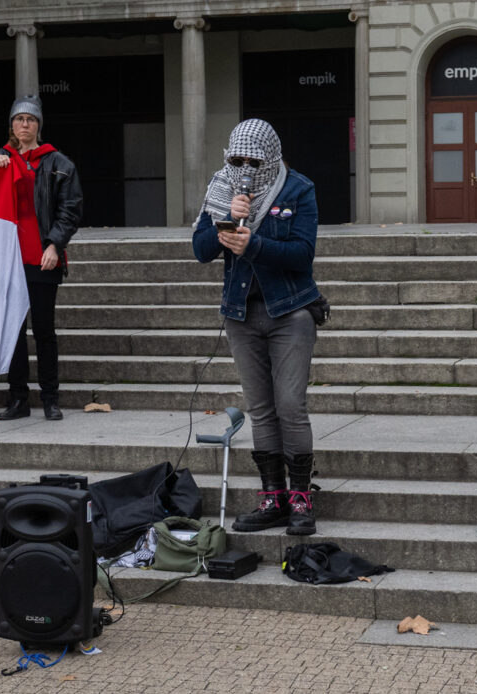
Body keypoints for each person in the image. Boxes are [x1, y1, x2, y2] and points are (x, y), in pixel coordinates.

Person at [192, 119, 322, 536]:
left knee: (290, 406)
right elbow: (201, 251)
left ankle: (301, 498)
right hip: (241, 314)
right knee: (261, 410)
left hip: (291, 312)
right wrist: (227, 220)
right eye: (238, 158)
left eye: (254, 159)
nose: (246, 167)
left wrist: (256, 244)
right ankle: (273, 497)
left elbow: (303, 254)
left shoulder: (297, 188)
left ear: (270, 156)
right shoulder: (222, 189)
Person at [0, 95, 82, 421]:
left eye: (30, 119)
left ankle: (51, 399)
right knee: (13, 332)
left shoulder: (59, 164)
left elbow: (70, 211)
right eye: (19, 120)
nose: (24, 125)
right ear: (11, 125)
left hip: (43, 257)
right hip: (7, 260)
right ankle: (18, 400)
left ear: (38, 125)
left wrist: (55, 245)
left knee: (43, 330)